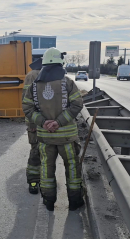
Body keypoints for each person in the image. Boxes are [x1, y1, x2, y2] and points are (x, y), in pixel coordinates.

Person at [22, 48, 84, 211]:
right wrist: (58, 122)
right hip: (67, 139)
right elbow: (77, 104)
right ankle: (74, 201)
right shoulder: (68, 82)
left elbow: (27, 108)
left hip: (45, 138)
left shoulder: (34, 86)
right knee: (72, 167)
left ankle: (49, 202)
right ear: (60, 63)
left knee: (46, 169)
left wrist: (43, 122)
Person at [22, 58, 42, 194]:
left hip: (45, 122)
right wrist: (32, 123)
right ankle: (34, 182)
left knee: (44, 153)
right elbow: (27, 101)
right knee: (36, 151)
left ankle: (42, 181)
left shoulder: (45, 74)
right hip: (36, 121)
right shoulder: (33, 75)